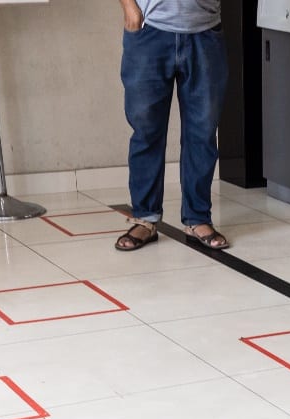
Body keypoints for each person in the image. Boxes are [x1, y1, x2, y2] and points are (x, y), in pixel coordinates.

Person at [114, 0, 231, 252]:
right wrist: (130, 10)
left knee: (203, 132)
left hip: (205, 32)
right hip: (149, 32)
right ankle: (145, 218)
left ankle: (197, 218)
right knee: (146, 131)